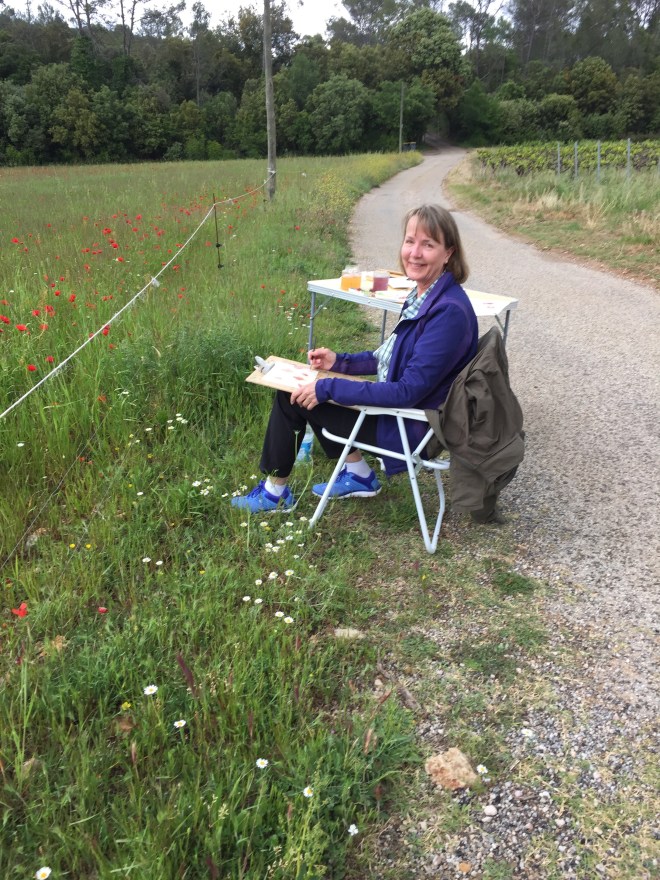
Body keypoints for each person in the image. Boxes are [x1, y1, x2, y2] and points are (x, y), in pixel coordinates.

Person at [232, 204, 478, 513]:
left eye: (428, 245)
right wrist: (340, 363)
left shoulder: (447, 313)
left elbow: (407, 391)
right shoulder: (426, 295)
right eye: (410, 241)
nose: (414, 253)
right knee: (309, 386)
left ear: (448, 253)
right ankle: (359, 475)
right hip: (402, 414)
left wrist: (328, 387)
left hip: (410, 427)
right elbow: (390, 357)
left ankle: (274, 494)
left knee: (292, 395)